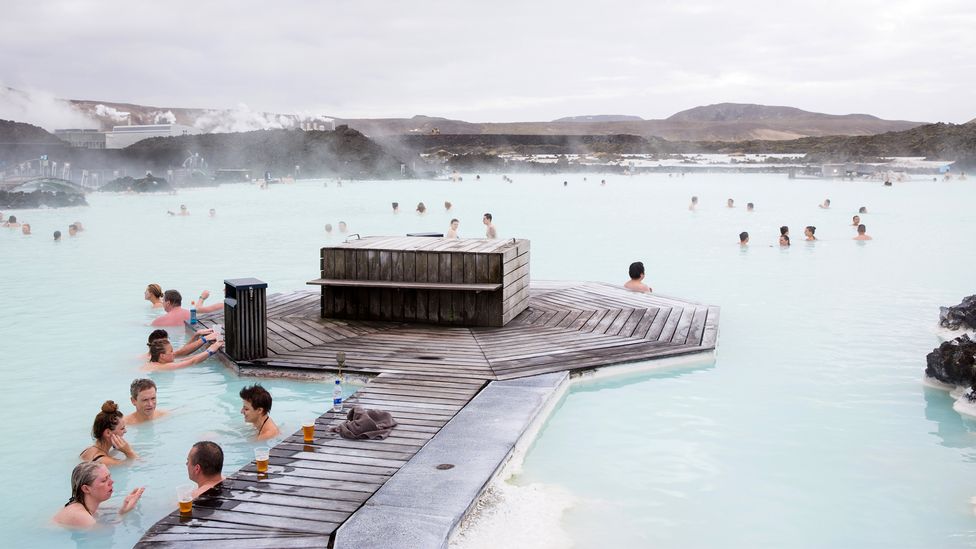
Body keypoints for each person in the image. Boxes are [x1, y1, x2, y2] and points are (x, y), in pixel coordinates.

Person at [52, 462, 143, 529]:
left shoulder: (90, 506)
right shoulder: (79, 515)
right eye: (104, 480)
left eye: (109, 477)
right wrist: (124, 513)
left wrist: (126, 505)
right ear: (86, 489)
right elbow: (106, 532)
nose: (111, 482)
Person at [79, 401, 139, 466]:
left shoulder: (88, 450)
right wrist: (129, 452)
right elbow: (138, 465)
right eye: (122, 428)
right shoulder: (104, 461)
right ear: (108, 433)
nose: (125, 431)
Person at [143, 337, 223, 372]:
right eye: (171, 351)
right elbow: (192, 362)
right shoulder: (164, 366)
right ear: (162, 356)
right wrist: (211, 351)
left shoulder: (155, 363)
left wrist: (207, 351)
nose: (173, 353)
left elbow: (184, 360)